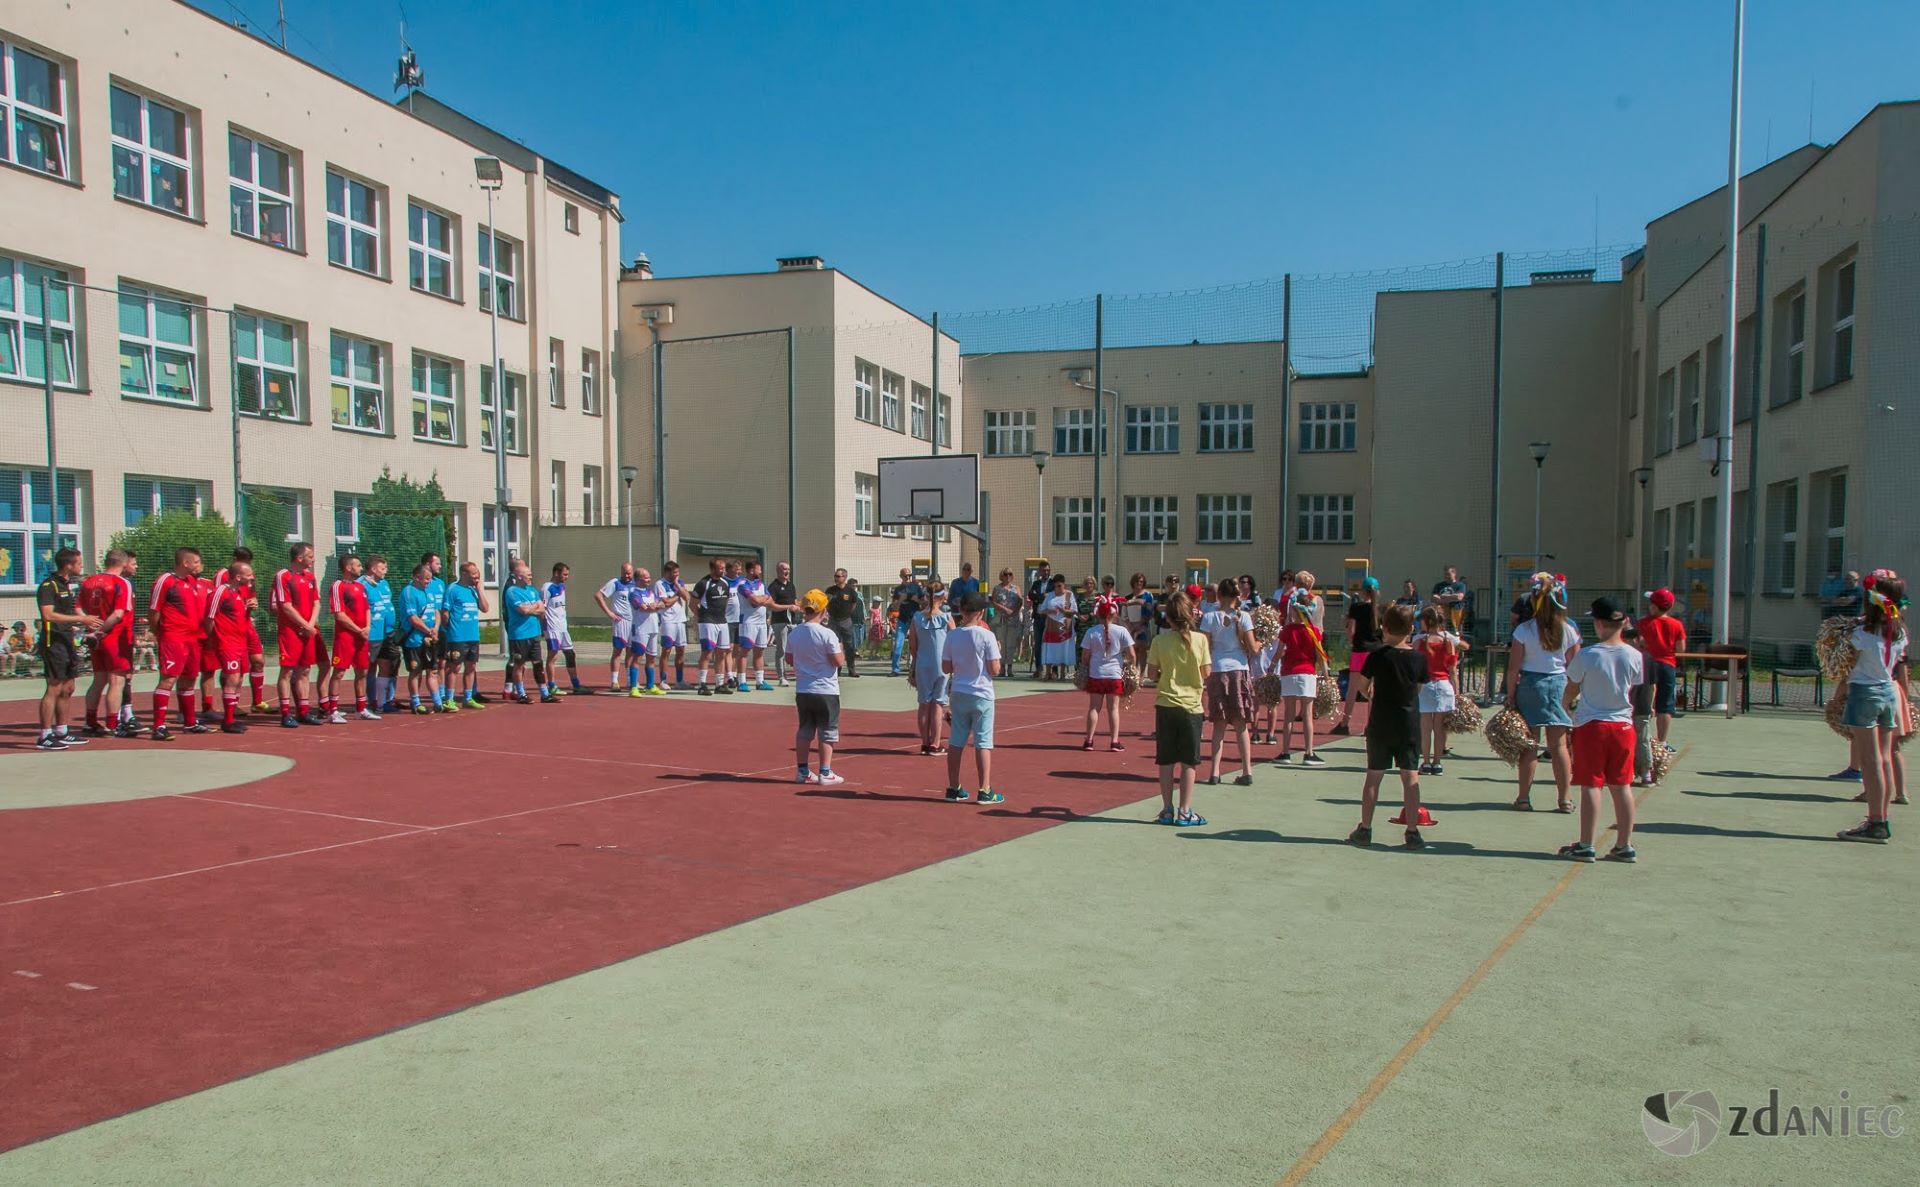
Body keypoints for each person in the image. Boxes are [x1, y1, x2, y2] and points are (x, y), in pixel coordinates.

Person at [1559, 598, 1645, 862]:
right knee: (1622, 785)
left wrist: (1565, 707)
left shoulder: (1588, 655)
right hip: (1623, 725)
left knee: (1590, 785)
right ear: (1624, 623)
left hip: (1592, 725)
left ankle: (1586, 843)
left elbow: (1572, 686)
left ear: (1598, 624)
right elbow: (1634, 684)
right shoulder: (1635, 655)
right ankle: (1625, 844)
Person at [1346, 603, 1430, 848]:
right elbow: (1419, 687)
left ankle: (1365, 828)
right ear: (1411, 629)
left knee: (1373, 776)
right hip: (1408, 722)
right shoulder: (1417, 658)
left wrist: (1373, 694)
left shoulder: (1377, 656)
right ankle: (1412, 831)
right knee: (1410, 777)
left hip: (1381, 722)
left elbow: (1362, 685)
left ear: (1384, 627)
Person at [1837, 575, 1909, 843]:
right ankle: (1881, 818)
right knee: (1884, 758)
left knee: (1871, 760)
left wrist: (1838, 695)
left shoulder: (1860, 633)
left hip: (1865, 693)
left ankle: (1876, 823)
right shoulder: (1899, 630)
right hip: (1889, 692)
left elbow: (1845, 664)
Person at [1506, 573, 1581, 813]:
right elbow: (1575, 667)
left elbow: (1513, 668)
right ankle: (1565, 799)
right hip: (1558, 685)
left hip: (1530, 685)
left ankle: (1524, 797)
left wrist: (1510, 695)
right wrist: (1572, 693)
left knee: (1529, 745)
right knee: (1559, 746)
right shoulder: (1569, 630)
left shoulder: (1524, 630)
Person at [1145, 590, 1211, 827]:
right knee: (1189, 761)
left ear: (1169, 618)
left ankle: (1166, 809)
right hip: (1192, 706)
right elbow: (1206, 672)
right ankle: (1185, 810)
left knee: (1165, 760)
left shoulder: (1159, 641)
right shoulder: (1201, 640)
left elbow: (1152, 674)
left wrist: (1167, 674)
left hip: (1166, 704)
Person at [34, 547, 101, 750]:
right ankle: (44, 735)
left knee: (68, 687)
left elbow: (64, 618)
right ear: (68, 565)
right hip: (52, 642)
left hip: (66, 640)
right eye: (79, 563)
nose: (81, 566)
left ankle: (61, 731)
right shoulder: (49, 585)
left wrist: (81, 630)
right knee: (54, 687)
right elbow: (48, 615)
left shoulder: (66, 585)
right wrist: (82, 618)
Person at [942, 591, 1004, 804]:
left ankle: (953, 787)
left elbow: (946, 667)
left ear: (961, 611)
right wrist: (998, 652)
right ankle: (985, 789)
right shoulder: (987, 635)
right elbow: (994, 669)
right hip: (982, 693)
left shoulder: (952, 635)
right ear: (981, 612)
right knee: (983, 742)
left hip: (959, 691)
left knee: (956, 740)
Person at [1199, 578, 1259, 786]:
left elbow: (1204, 646)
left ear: (1220, 595)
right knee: (1241, 724)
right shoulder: (1244, 617)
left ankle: (1214, 772)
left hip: (1217, 669)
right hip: (1239, 669)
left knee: (1219, 724)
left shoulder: (1208, 617)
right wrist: (1262, 640)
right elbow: (1253, 648)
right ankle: (1247, 770)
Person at [784, 589, 846, 786]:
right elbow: (837, 661)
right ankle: (825, 772)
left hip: (803, 689)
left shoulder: (795, 633)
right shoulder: (827, 634)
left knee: (805, 729)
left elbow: (789, 658)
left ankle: (802, 771)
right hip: (826, 689)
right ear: (823, 610)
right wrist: (842, 651)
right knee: (827, 731)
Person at [149, 546, 211, 741]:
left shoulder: (194, 582)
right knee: (168, 678)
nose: (199, 565)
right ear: (185, 563)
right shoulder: (165, 581)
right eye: (196, 562)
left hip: (193, 639)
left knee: (190, 678)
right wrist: (158, 630)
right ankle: (158, 725)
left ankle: (190, 722)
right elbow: (154, 610)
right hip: (173, 637)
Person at [79, 549, 136, 738]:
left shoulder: (89, 581)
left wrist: (90, 627)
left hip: (95, 638)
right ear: (123, 562)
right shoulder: (121, 583)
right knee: (116, 681)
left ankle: (90, 722)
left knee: (99, 680)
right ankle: (113, 725)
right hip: (114, 637)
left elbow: (78, 607)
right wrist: (101, 630)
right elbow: (119, 613)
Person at [270, 542, 328, 728]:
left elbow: (316, 603)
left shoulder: (310, 577)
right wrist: (303, 624)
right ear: (299, 558)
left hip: (307, 630)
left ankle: (303, 711)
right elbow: (285, 606)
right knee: (287, 671)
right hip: (290, 631)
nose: (313, 559)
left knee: (305, 670)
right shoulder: (283, 576)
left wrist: (310, 625)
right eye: (310, 555)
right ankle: (286, 713)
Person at [1272, 590, 1328, 767]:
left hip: (1289, 673)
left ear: (1294, 611)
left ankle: (1286, 752)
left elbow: (1279, 652)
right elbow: (1320, 656)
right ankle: (1308, 753)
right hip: (1307, 673)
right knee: (1307, 715)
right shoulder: (1313, 632)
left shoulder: (1287, 630)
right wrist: (1325, 674)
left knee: (1288, 715)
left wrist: (1271, 667)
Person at [205, 558, 259, 734]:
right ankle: (227, 721)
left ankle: (232, 717)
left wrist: (248, 609)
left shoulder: (238, 593)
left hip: (240, 642)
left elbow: (238, 619)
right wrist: (214, 639)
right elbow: (209, 618)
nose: (252, 578)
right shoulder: (221, 591)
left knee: (240, 677)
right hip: (227, 643)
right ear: (237, 576)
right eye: (248, 575)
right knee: (232, 678)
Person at [1413, 606, 1466, 776]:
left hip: (1425, 685)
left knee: (1425, 726)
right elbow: (1452, 669)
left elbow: (1413, 668)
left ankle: (1426, 762)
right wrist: (1457, 692)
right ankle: (1437, 762)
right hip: (1444, 685)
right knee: (1440, 727)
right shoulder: (1448, 641)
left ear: (1426, 621)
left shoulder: (1419, 641)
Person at [321, 554, 374, 722]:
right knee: (339, 672)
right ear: (348, 568)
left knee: (362, 671)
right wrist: (358, 630)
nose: (361, 568)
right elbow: (339, 615)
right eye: (357, 565)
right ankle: (333, 711)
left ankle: (361, 708)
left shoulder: (360, 587)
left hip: (361, 637)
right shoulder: (337, 586)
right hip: (345, 637)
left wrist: (367, 628)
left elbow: (367, 609)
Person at [1080, 595, 1136, 752]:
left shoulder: (1091, 632)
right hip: (1114, 675)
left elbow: (1085, 655)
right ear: (1114, 614)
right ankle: (1114, 741)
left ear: (1098, 614)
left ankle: (1089, 741)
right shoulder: (1122, 631)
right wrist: (1130, 667)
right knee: (1113, 709)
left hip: (1096, 674)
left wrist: (1086, 666)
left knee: (1094, 708)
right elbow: (1132, 654)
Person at [1635, 588, 1687, 749]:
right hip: (1667, 666)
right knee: (1665, 705)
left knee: (1643, 703)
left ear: (1654, 606)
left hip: (1647, 665)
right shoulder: (1676, 624)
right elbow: (1680, 648)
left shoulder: (1643, 623)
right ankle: (1662, 741)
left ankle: (1641, 739)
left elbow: (1638, 643)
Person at [1330, 576, 1382, 735]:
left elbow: (1351, 630)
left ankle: (1345, 724)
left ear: (1362, 591)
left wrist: (1353, 641)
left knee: (1352, 689)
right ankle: (1371, 725)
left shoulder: (1356, 607)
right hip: (1376, 651)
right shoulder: (1379, 609)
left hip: (1359, 650)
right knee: (1372, 690)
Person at [907, 584, 953, 755]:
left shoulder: (917, 617)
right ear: (942, 597)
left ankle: (925, 743)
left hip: (923, 664)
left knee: (923, 705)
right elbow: (954, 640)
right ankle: (935, 743)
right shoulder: (946, 617)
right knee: (938, 704)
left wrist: (916, 662)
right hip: (942, 666)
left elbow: (912, 644)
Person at [502, 559, 554, 704]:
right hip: (519, 634)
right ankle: (521, 693)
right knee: (519, 664)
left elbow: (542, 609)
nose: (531, 577)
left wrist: (532, 608)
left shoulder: (532, 590)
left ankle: (544, 693)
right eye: (528, 575)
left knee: (538, 663)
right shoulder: (512, 591)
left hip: (534, 633)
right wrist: (533, 608)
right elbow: (522, 610)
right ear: (519, 576)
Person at [441, 561, 487, 710]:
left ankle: (468, 697)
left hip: (473, 635)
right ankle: (449, 699)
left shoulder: (473, 590)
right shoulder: (453, 589)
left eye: (477, 573)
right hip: (457, 636)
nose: (476, 576)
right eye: (473, 573)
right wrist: (451, 628)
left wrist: (479, 590)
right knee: (454, 667)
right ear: (464, 574)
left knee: (471, 666)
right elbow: (445, 613)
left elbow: (485, 608)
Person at [400, 563, 443, 715]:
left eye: (430, 579)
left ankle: (438, 702)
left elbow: (436, 610)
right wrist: (427, 631)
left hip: (430, 638)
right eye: (426, 579)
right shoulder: (409, 592)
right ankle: (416, 702)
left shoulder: (429, 591)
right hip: (414, 639)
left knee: (432, 671)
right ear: (417, 578)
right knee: (415, 671)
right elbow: (413, 618)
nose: (429, 582)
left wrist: (436, 628)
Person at [540, 563, 588, 696]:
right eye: (564, 574)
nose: (567, 577)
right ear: (556, 573)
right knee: (553, 655)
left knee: (570, 654)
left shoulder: (562, 587)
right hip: (552, 627)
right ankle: (551, 685)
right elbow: (541, 609)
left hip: (562, 626)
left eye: (567, 574)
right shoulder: (546, 588)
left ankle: (576, 684)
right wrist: (543, 628)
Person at [691, 559, 733, 696]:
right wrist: (702, 617)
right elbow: (692, 604)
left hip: (722, 622)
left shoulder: (725, 583)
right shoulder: (703, 583)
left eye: (724, 568)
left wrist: (722, 616)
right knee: (707, 653)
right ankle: (702, 684)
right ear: (712, 569)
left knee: (722, 653)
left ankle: (719, 684)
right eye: (720, 568)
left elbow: (725, 602)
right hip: (707, 622)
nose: (723, 571)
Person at [595, 563, 638, 693]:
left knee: (631, 651)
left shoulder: (636, 584)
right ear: (621, 572)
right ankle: (614, 681)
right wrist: (609, 613)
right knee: (618, 650)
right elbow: (598, 595)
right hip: (621, 621)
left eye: (629, 573)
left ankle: (631, 681)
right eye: (625, 572)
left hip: (634, 621)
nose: (627, 575)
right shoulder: (615, 583)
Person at [626, 566, 669, 696]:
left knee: (651, 658)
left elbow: (662, 603)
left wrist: (655, 606)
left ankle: (650, 686)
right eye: (645, 577)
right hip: (640, 629)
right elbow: (643, 608)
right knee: (637, 657)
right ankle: (633, 687)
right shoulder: (634, 593)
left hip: (653, 628)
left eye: (649, 577)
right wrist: (654, 606)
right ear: (638, 579)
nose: (649, 579)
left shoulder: (651, 592)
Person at [734, 560, 776, 692]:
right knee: (745, 651)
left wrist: (760, 599)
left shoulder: (761, 584)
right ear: (752, 570)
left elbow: (770, 600)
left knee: (760, 651)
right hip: (748, 622)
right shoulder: (742, 585)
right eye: (759, 569)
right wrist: (761, 599)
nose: (761, 571)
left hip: (761, 623)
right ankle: (741, 681)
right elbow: (754, 601)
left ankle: (760, 681)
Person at [766, 560, 799, 687]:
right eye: (785, 569)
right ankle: (781, 677)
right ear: (778, 570)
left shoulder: (791, 585)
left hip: (793, 622)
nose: (787, 572)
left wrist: (798, 606)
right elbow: (771, 605)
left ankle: (797, 672)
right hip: (780, 622)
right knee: (782, 650)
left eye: (788, 569)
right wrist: (788, 607)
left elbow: (795, 601)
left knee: (796, 649)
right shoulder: (773, 586)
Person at [825, 569, 863, 677]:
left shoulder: (850, 591)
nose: (836, 578)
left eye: (838, 576)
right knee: (834, 645)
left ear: (844, 577)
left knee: (849, 645)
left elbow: (853, 605)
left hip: (846, 620)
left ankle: (852, 669)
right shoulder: (830, 590)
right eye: (835, 576)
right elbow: (825, 602)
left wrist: (846, 614)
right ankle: (837, 669)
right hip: (833, 621)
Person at [1038, 575, 1077, 680]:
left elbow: (1074, 610)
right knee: (1050, 649)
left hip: (1065, 627)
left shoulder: (1070, 595)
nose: (1057, 589)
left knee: (1063, 649)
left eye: (1059, 586)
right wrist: (1050, 611)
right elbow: (1041, 610)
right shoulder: (1049, 595)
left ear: (1064, 584)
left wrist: (1065, 611)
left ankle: (1063, 674)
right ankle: (1048, 673)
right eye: (1055, 586)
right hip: (1051, 626)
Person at [659, 561, 690, 688]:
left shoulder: (679, 583)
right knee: (666, 650)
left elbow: (687, 597)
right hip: (668, 621)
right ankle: (663, 680)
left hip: (680, 620)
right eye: (675, 572)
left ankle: (679, 680)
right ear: (668, 572)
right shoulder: (660, 584)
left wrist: (677, 585)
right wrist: (678, 596)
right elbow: (666, 602)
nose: (677, 574)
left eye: (678, 572)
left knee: (681, 650)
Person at [889, 567, 925, 677]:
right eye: (905, 575)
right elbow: (894, 606)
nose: (908, 577)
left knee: (918, 645)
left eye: (909, 575)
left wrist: (916, 600)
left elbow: (924, 604)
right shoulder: (898, 589)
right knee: (898, 645)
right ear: (901, 576)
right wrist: (901, 600)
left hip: (915, 619)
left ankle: (916, 668)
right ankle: (895, 669)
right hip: (903, 620)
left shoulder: (916, 588)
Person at [991, 569, 1025, 666]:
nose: (1008, 576)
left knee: (1011, 643)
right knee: (1001, 643)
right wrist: (1005, 610)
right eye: (1006, 574)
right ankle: (1001, 666)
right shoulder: (997, 588)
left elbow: (1020, 601)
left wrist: (1013, 612)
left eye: (1010, 574)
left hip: (1013, 619)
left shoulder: (1016, 588)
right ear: (1002, 576)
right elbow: (994, 602)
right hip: (1001, 619)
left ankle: (1009, 666)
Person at [1026, 561, 1055, 678]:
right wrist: (1042, 597)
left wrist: (1040, 597)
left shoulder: (1054, 583)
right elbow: (1031, 595)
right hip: (1038, 617)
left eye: (1048, 570)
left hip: (1051, 618)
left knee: (1052, 643)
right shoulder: (1036, 583)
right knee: (1038, 643)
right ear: (1040, 571)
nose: (1046, 572)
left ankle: (1053, 670)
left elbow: (1055, 595)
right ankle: (1039, 668)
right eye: (1044, 570)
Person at [1123, 572, 1156, 650]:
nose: (1139, 583)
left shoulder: (1148, 595)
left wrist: (1140, 625)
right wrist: (1130, 626)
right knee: (1133, 650)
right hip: (1130, 627)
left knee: (1142, 650)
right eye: (1137, 581)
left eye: (1141, 581)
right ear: (1133, 582)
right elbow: (1124, 614)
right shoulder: (1127, 597)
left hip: (1143, 626)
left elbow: (1150, 610)